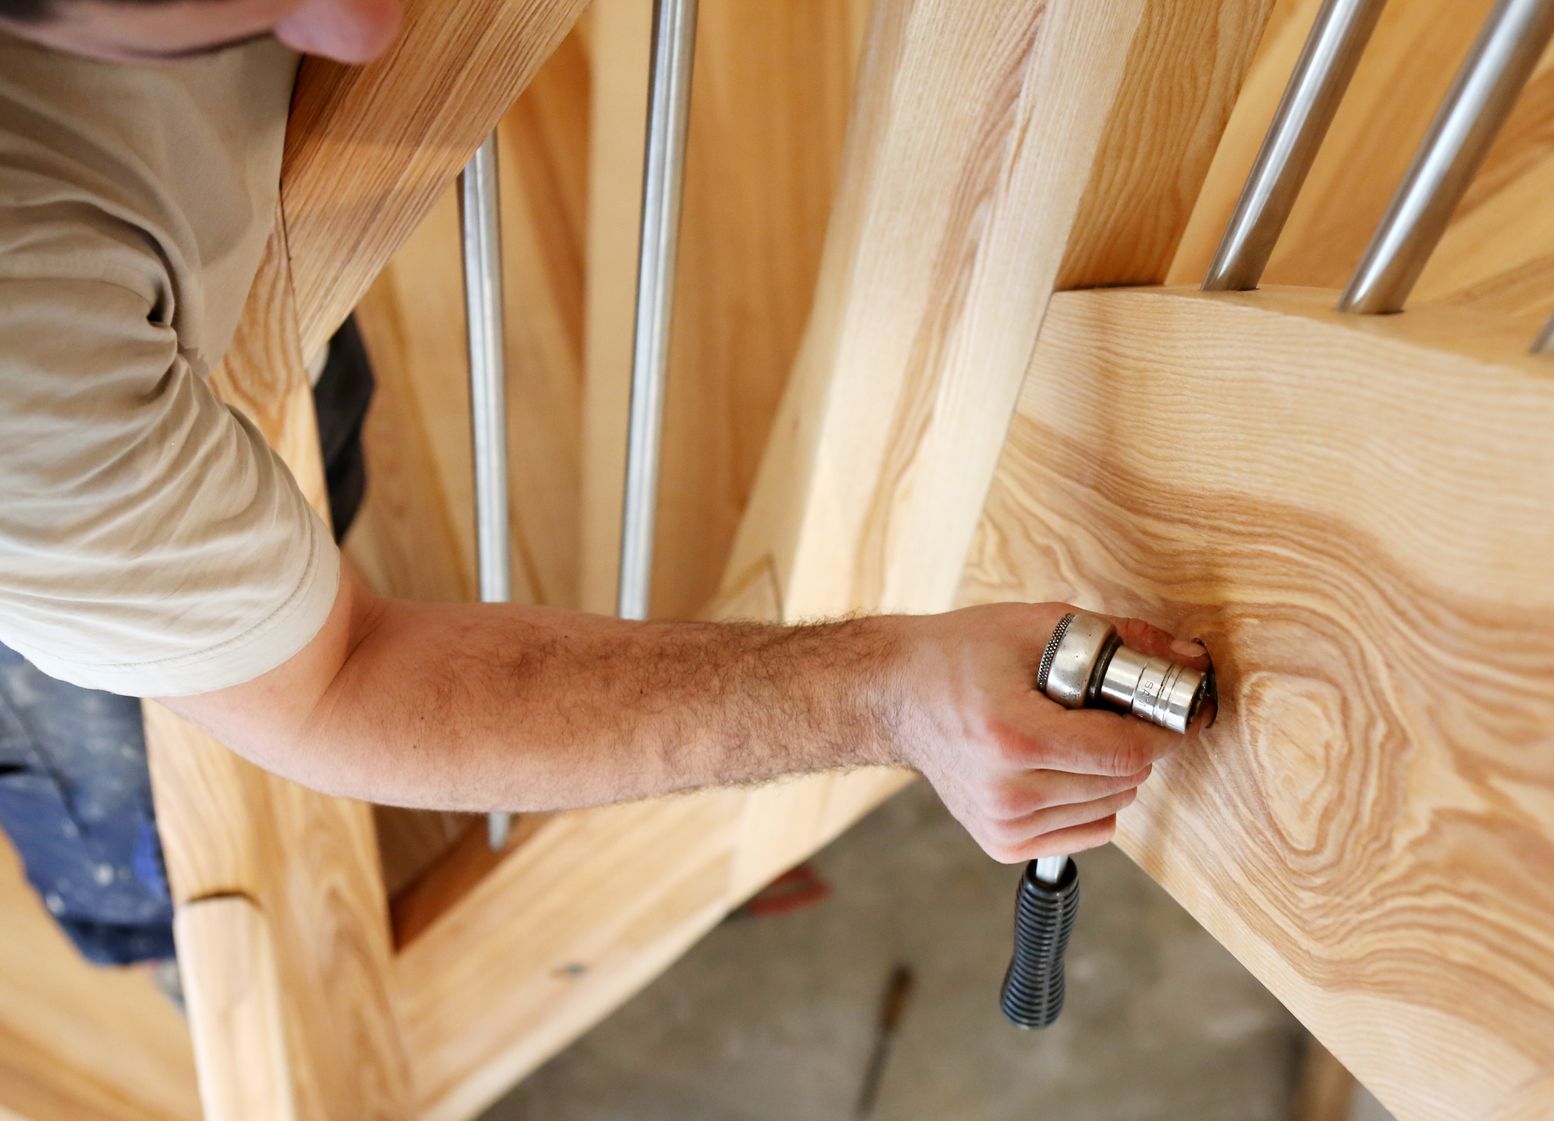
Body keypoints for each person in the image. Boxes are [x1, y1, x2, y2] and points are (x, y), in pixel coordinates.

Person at [0, 0, 1211, 966]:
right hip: (58, 489)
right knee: (125, 795)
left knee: (315, 407)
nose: (372, 29)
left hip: (159, 330)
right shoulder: (31, 385)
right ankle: (163, 944)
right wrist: (881, 701)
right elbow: (342, 681)